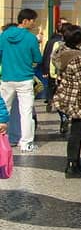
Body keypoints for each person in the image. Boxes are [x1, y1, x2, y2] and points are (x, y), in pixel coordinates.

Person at [52, 25, 81, 178]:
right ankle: (72, 165)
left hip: (66, 95)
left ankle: (75, 163)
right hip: (78, 98)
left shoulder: (61, 51)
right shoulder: (79, 57)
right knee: (78, 132)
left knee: (77, 131)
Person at [1, 9, 43, 152]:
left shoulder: (4, 35)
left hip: (6, 78)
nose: (34, 24)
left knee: (4, 110)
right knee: (26, 112)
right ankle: (26, 143)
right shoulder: (31, 38)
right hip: (25, 78)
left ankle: (4, 139)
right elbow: (38, 58)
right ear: (25, 21)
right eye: (33, 21)